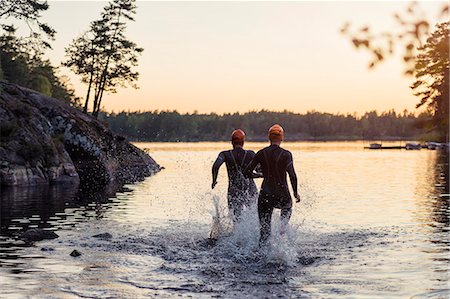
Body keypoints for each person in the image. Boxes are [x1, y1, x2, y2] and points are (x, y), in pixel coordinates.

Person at [245, 124, 301, 245]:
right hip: (283, 195)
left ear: (269, 138)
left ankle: (262, 255)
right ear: (282, 138)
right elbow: (292, 175)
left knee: (264, 233)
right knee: (283, 224)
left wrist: (260, 175)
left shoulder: (260, 153)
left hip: (265, 195)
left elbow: (246, 172)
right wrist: (295, 193)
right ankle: (281, 246)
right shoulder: (286, 154)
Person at [212, 129, 259, 222]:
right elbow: (259, 169)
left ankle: (237, 235)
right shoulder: (250, 154)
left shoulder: (225, 154)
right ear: (243, 142)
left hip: (234, 190)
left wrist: (214, 180)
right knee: (254, 215)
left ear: (232, 142)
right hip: (250, 189)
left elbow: (215, 166)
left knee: (236, 218)